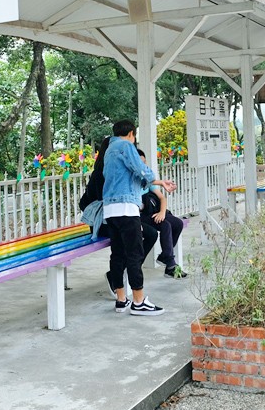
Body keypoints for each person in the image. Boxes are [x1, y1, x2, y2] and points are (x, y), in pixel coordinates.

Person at [102, 120, 173, 316]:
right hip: (126, 208)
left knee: (117, 255)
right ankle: (139, 301)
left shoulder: (109, 150)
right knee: (134, 254)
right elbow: (140, 168)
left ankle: (121, 299)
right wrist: (159, 181)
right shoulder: (126, 145)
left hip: (111, 210)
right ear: (132, 133)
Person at [79, 136, 159, 296]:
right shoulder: (101, 173)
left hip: (118, 218)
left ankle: (125, 272)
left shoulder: (116, 170)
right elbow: (84, 202)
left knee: (149, 234)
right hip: (104, 223)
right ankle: (121, 278)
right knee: (130, 241)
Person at [136, 148, 187, 279]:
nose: (144, 166)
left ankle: (165, 256)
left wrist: (162, 212)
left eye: (145, 162)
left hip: (153, 211)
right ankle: (170, 264)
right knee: (165, 225)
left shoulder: (147, 178)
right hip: (140, 216)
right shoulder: (131, 180)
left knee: (178, 223)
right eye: (140, 163)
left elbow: (162, 197)